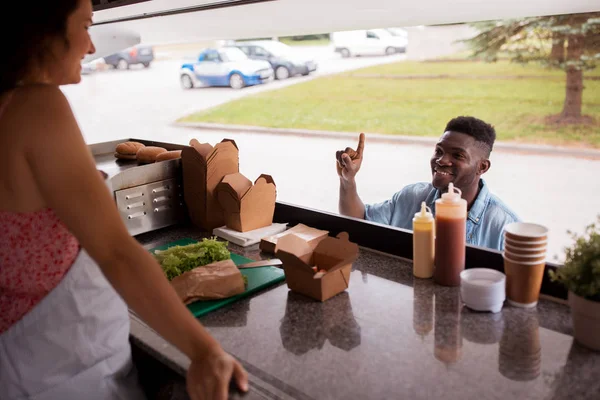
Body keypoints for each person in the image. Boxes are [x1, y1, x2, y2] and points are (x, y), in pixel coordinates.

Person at [0, 1, 247, 399]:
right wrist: (205, 351)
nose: (91, 46)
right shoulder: (37, 107)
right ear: (43, 31)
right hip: (66, 372)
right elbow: (116, 253)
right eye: (85, 25)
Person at [336, 116, 520, 251]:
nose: (441, 160)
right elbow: (359, 221)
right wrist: (348, 180)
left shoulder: (504, 226)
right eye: (439, 151)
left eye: (457, 155)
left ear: (482, 167)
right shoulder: (412, 197)